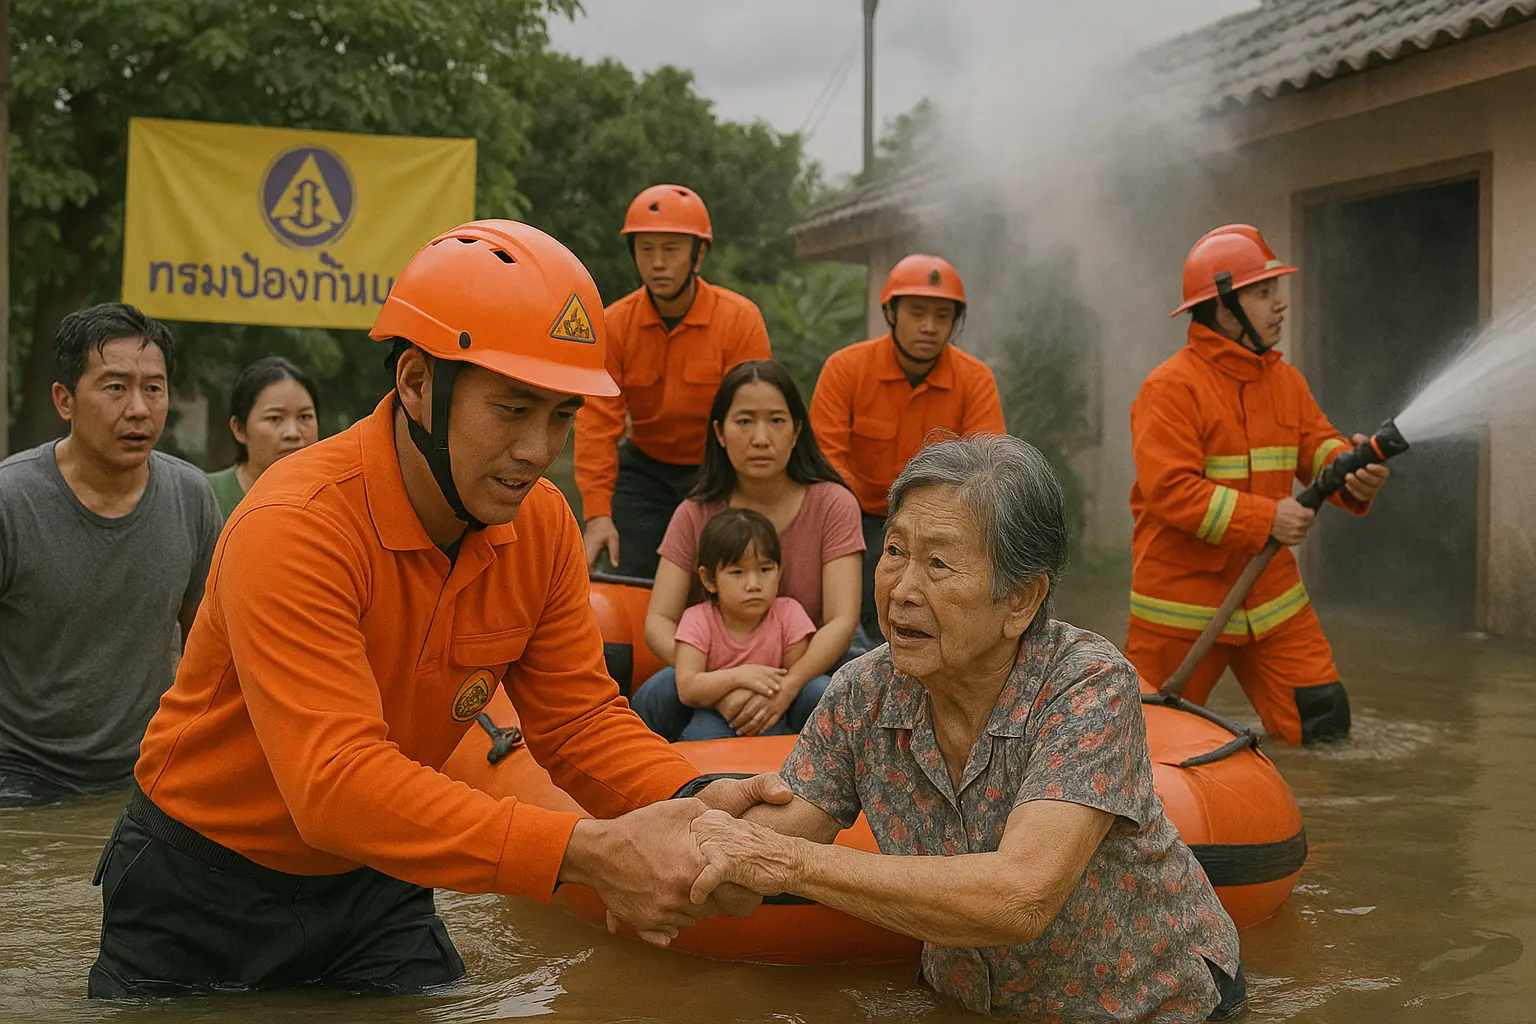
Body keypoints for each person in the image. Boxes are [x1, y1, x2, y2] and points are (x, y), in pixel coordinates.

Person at [88, 220, 788, 999]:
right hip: (197, 888)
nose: (538, 450)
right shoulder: (296, 525)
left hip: (373, 881)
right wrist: (583, 854)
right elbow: (335, 784)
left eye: (562, 415)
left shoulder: (543, 526)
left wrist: (692, 799)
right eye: (514, 409)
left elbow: (580, 722)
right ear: (418, 383)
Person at [685, 435, 1247, 1023]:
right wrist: (695, 826)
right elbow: (767, 844)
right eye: (895, 551)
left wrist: (791, 863)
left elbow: (1021, 896)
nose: (902, 589)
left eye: (939, 564)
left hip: (1152, 1008)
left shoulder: (1088, 685)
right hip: (972, 1001)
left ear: (1021, 600)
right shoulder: (864, 692)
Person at [1125, 224, 1390, 746]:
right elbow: (1172, 491)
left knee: (1325, 731)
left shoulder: (1285, 383)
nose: (1280, 304)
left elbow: (1319, 448)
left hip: (1272, 602)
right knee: (1147, 745)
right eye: (1264, 293)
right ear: (1226, 309)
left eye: (1276, 291)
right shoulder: (1169, 389)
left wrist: (1354, 472)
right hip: (1183, 610)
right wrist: (1268, 517)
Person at [0, 303, 222, 808]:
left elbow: (210, 645)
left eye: (153, 388)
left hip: (146, 765)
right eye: (116, 387)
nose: (139, 409)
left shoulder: (190, 497)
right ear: (65, 400)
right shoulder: (11, 501)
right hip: (18, 772)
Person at [631, 360, 863, 740]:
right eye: (744, 421)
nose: (760, 438)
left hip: (801, 673)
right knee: (659, 691)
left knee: (825, 694)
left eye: (776, 420)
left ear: (796, 431)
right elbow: (658, 621)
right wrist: (721, 683)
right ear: (720, 433)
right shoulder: (694, 513)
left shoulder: (834, 505)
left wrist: (784, 687)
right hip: (709, 674)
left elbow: (841, 621)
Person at [575, 184, 773, 579]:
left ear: (698, 254)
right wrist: (597, 516)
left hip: (718, 471)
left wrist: (751, 497)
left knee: (723, 576)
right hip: (644, 471)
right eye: (646, 249)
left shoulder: (740, 320)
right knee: (629, 576)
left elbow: (754, 418)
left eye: (671, 249)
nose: (658, 263)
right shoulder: (613, 324)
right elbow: (596, 425)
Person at [809, 254, 1005, 643]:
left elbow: (988, 466)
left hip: (943, 522)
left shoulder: (975, 379)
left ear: (955, 321)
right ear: (891, 312)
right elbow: (826, 462)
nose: (929, 327)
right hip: (857, 519)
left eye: (942, 316)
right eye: (917, 313)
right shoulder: (845, 368)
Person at [671, 508, 820, 741]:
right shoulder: (697, 619)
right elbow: (688, 687)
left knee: (821, 689)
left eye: (765, 569)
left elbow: (794, 676)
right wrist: (740, 677)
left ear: (779, 571)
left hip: (776, 707)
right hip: (715, 711)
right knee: (700, 736)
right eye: (737, 572)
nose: (753, 584)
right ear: (709, 579)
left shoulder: (789, 613)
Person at [205, 355, 321, 518]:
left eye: (304, 417)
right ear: (239, 429)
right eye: (275, 418)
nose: (293, 433)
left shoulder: (332, 500)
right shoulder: (205, 497)